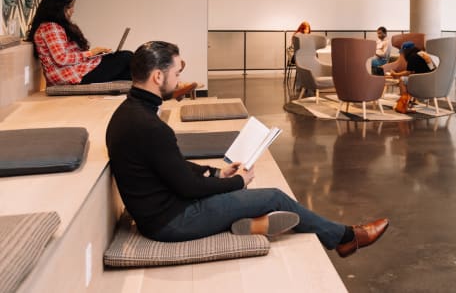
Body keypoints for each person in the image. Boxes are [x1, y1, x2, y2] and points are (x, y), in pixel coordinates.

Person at [106, 41, 389, 257]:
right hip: (173, 222)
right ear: (158, 76)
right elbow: (188, 188)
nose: (179, 79)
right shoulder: (149, 126)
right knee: (275, 197)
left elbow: (171, 165)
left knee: (244, 193)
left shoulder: (129, 113)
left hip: (163, 211)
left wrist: (216, 173)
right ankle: (345, 238)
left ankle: (252, 223)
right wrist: (237, 182)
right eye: (177, 72)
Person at [26, 0, 132, 85]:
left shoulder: (55, 26)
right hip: (70, 75)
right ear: (57, 8)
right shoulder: (50, 28)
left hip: (77, 70)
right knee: (126, 57)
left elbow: (68, 55)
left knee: (127, 71)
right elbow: (61, 59)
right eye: (69, 7)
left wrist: (94, 55)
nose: (73, 10)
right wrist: (91, 53)